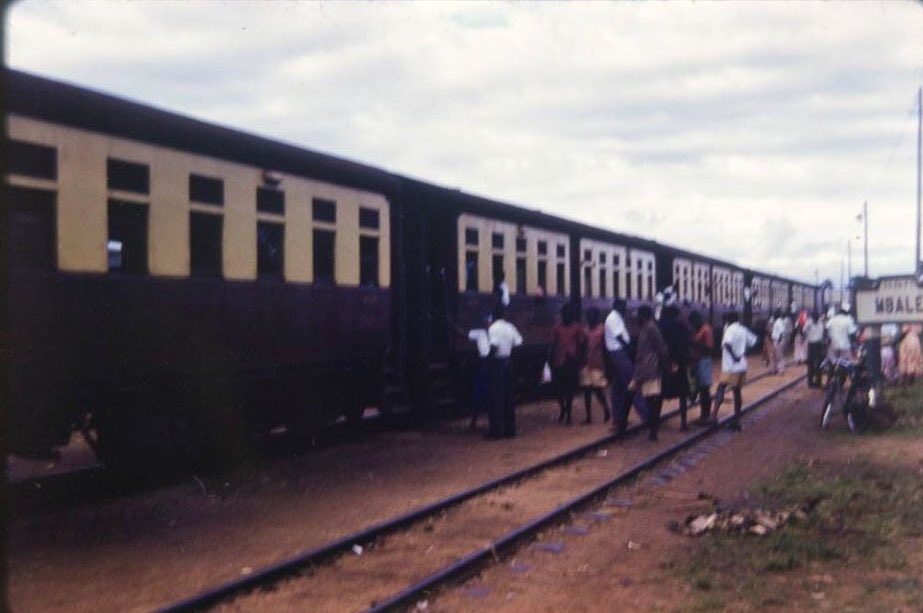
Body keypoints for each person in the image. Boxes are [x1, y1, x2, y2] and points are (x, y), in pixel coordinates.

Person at [629, 304, 673, 441]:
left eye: (639, 316)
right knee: (637, 395)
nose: (636, 319)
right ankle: (650, 425)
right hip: (642, 369)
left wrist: (666, 364)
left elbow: (662, 348)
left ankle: (653, 429)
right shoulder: (645, 328)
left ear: (643, 316)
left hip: (651, 369)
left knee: (652, 399)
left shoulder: (651, 328)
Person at [605, 298, 649, 435]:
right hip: (619, 354)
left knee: (618, 387)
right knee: (632, 383)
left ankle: (617, 418)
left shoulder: (617, 317)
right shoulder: (613, 318)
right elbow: (620, 338)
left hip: (617, 354)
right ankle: (646, 415)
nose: (625, 308)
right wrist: (632, 350)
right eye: (623, 306)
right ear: (616, 306)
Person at [711, 311, 758, 431]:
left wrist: (734, 356)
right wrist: (742, 350)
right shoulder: (742, 329)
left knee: (721, 388)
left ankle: (713, 417)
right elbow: (754, 341)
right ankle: (736, 420)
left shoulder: (730, 330)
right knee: (737, 392)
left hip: (730, 366)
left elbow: (726, 344)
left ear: (728, 320)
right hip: (741, 366)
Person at [486, 303, 522, 439]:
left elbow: (494, 346)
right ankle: (510, 430)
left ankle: (496, 432)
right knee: (508, 398)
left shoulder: (493, 328)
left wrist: (488, 359)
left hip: (497, 363)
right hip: (508, 362)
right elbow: (519, 342)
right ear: (503, 315)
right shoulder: (510, 327)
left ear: (493, 316)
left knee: (496, 398)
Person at [549, 303, 585, 425]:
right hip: (559, 361)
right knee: (557, 389)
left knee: (569, 389)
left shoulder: (577, 327)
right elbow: (553, 344)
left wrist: (580, 360)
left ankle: (568, 414)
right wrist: (550, 359)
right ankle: (563, 408)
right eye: (564, 314)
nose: (566, 316)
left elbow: (581, 344)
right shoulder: (556, 327)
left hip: (571, 361)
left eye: (568, 314)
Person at [659, 304, 692, 431]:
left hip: (665, 362)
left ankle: (656, 424)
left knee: (660, 392)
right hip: (679, 362)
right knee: (682, 393)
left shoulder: (660, 324)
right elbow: (690, 334)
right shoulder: (680, 325)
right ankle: (683, 424)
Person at [580, 307, 611, 424]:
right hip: (587, 364)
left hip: (598, 364)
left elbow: (605, 349)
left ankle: (606, 409)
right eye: (588, 316)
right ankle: (588, 417)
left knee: (598, 390)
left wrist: (607, 366)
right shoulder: (585, 330)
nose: (589, 318)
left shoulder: (602, 330)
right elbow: (583, 346)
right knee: (586, 390)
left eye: (592, 316)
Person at [687, 310, 714, 424]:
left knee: (704, 389)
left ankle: (705, 415)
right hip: (698, 361)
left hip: (704, 361)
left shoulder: (706, 329)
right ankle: (704, 415)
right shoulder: (699, 329)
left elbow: (709, 348)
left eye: (692, 323)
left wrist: (693, 343)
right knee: (700, 389)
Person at [466, 317, 491, 431]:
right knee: (478, 393)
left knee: (491, 395)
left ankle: (492, 423)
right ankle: (473, 423)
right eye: (486, 323)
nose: (488, 325)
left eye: (489, 323)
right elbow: (465, 335)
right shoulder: (479, 333)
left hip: (491, 363)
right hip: (483, 363)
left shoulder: (495, 333)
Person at [803, 310, 825, 388]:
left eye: (816, 317)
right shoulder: (809, 323)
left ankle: (817, 382)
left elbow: (804, 331)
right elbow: (804, 331)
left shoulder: (820, 323)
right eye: (814, 317)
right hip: (813, 344)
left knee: (818, 364)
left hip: (817, 344)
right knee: (812, 364)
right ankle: (811, 382)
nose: (815, 319)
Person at [770, 308, 787, 375]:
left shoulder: (779, 322)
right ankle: (774, 370)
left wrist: (778, 341)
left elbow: (781, 332)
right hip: (777, 340)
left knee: (779, 356)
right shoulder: (780, 321)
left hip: (778, 340)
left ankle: (781, 370)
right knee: (774, 356)